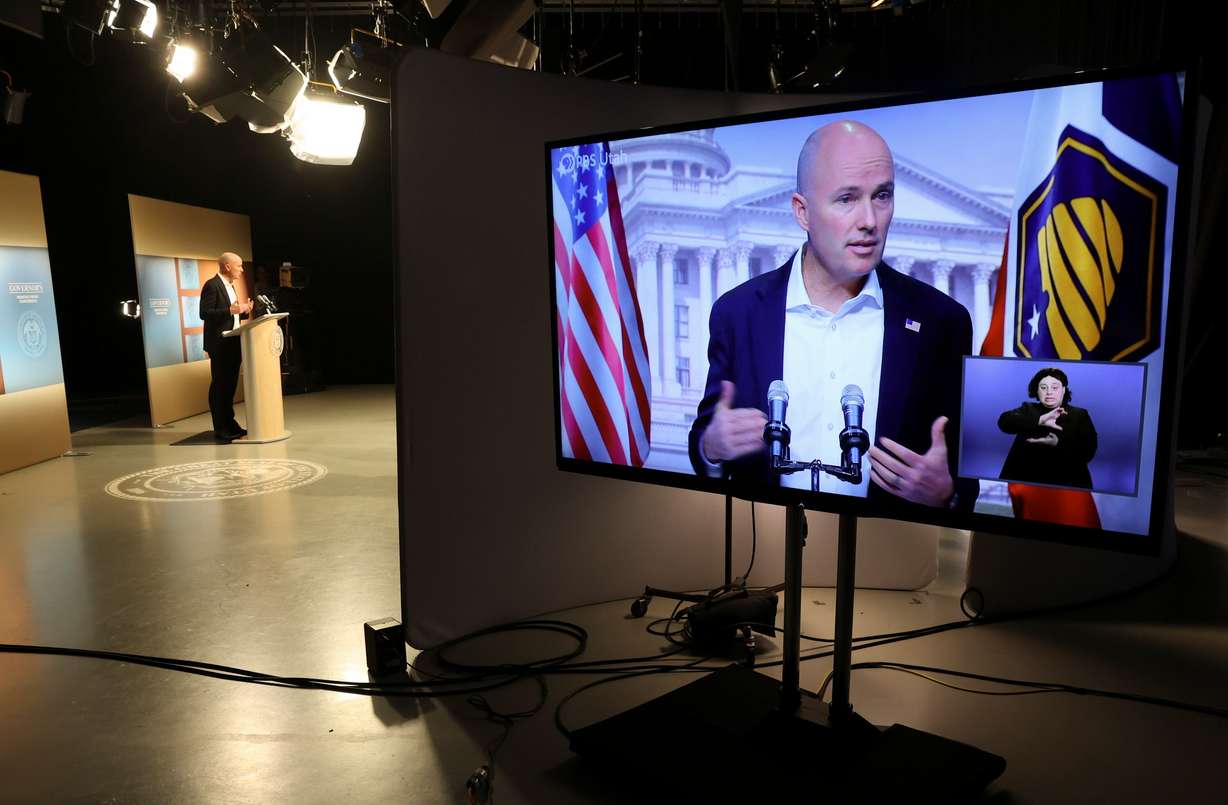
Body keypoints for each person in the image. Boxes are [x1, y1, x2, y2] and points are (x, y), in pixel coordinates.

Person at [687, 120, 978, 512]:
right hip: (765, 558)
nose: (870, 221)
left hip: (891, 562)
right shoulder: (738, 314)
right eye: (846, 199)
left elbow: (961, 476)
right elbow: (706, 440)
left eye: (882, 196)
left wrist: (947, 494)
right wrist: (712, 446)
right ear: (802, 212)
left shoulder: (942, 323)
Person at [997, 367, 1097, 489]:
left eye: (1055, 387)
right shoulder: (1028, 409)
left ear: (1064, 390)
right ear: (1037, 391)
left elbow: (1088, 451)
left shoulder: (1080, 414)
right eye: (1043, 387)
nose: (1049, 392)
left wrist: (1058, 444)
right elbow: (1004, 422)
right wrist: (1039, 421)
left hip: (1067, 484)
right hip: (1025, 481)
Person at [199, 252, 253, 443]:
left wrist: (243, 311)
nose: (242, 269)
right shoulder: (212, 285)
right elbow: (204, 313)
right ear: (228, 266)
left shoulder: (230, 286)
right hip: (220, 344)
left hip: (233, 342)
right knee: (220, 387)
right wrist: (230, 310)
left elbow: (232, 316)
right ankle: (221, 428)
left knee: (229, 387)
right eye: (239, 265)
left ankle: (230, 425)